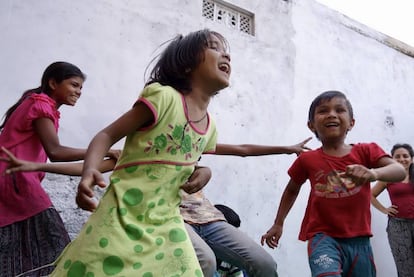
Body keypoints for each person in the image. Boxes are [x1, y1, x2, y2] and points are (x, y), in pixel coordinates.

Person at [260, 90, 406, 277]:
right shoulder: (307, 160)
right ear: (311, 125)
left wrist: (373, 173)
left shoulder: (366, 151)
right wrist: (278, 223)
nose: (331, 114)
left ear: (351, 122)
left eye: (339, 110)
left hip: (360, 241)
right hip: (323, 238)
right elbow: (291, 190)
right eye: (323, 111)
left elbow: (399, 171)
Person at [0, 61, 118, 277]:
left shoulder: (41, 106)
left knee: (17, 244)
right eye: (74, 85)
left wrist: (106, 157)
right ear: (53, 83)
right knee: (54, 242)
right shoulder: (40, 105)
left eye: (81, 87)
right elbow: (55, 151)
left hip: (14, 180)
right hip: (16, 180)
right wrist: (104, 149)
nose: (78, 92)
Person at [371, 143, 414, 277]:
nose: (402, 159)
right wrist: (384, 209)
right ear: (392, 159)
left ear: (412, 159)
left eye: (405, 156)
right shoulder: (388, 177)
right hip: (398, 227)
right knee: (405, 266)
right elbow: (369, 195)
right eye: (397, 157)